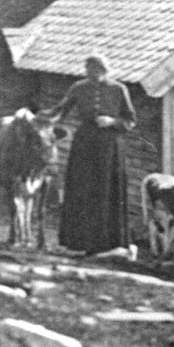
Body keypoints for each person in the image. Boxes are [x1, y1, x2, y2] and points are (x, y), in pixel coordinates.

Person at [44, 54, 137, 255]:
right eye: (88, 71)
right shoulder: (78, 88)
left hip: (110, 146)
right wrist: (37, 117)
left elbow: (130, 120)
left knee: (106, 190)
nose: (90, 74)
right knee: (82, 188)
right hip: (85, 144)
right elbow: (60, 111)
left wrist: (112, 122)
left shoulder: (119, 89)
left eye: (94, 71)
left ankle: (108, 244)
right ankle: (78, 242)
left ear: (104, 70)